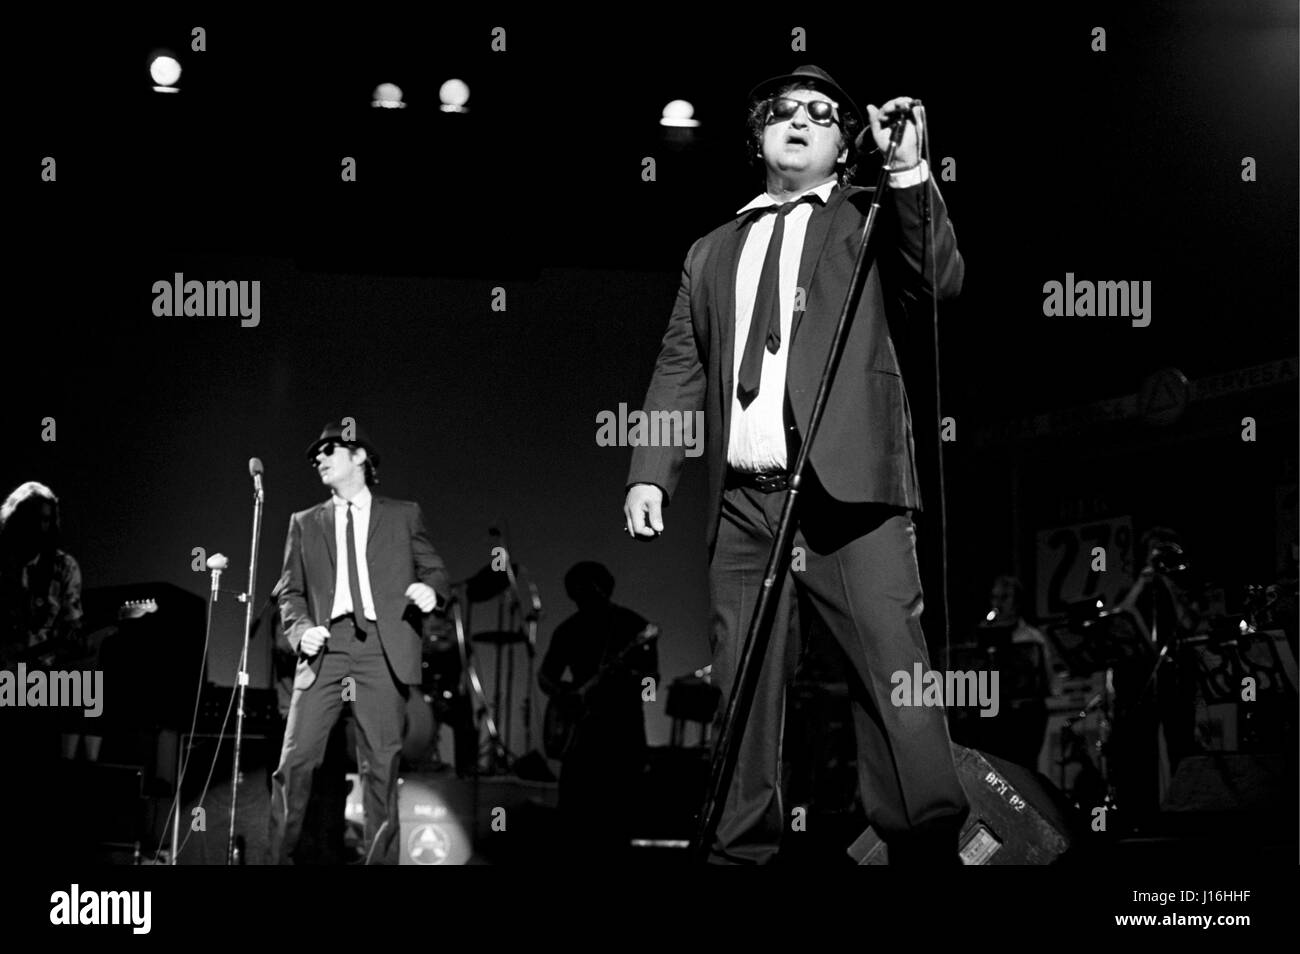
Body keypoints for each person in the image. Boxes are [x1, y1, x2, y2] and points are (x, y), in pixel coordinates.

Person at [624, 65, 969, 864]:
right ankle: (738, 848)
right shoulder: (712, 250)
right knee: (741, 690)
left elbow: (938, 278)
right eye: (782, 111)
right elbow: (681, 362)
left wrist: (909, 169)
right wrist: (650, 469)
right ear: (757, 137)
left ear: (846, 140)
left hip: (849, 492)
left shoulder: (867, 214)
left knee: (893, 675)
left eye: (822, 112)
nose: (802, 120)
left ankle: (925, 841)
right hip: (747, 503)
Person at [267, 422, 450, 864]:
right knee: (295, 762)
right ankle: (276, 859)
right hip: (325, 645)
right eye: (316, 455)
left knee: (380, 767)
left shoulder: (404, 514)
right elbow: (289, 592)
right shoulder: (304, 522)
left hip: (382, 648)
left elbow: (436, 571)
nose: (319, 459)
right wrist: (299, 629)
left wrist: (432, 592)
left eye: (330, 450)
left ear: (361, 456)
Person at [539, 561, 658, 860]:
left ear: (600, 587)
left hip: (622, 730)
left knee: (617, 818)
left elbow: (651, 683)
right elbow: (546, 676)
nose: (578, 596)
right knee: (575, 818)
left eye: (583, 588)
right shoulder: (568, 629)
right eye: (574, 591)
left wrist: (628, 679)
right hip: (582, 736)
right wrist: (566, 695)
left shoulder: (635, 626)